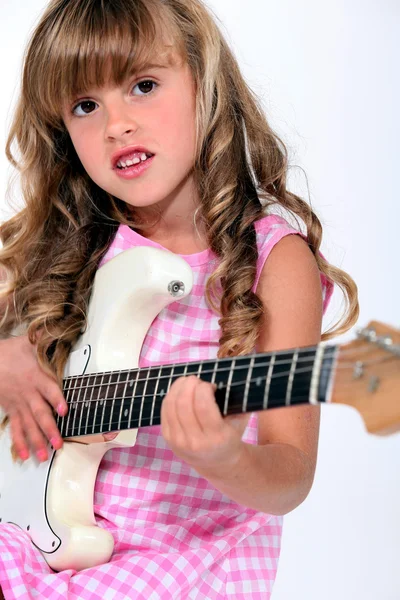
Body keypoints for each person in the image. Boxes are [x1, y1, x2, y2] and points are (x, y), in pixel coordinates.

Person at [0, 0, 359, 598]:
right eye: (85, 105)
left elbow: (290, 476)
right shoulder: (71, 240)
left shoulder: (272, 260)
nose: (116, 124)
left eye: (142, 85)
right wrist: (8, 352)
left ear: (205, 82)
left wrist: (226, 459)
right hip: (44, 539)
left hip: (183, 557)